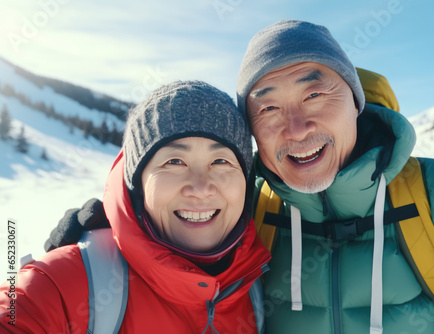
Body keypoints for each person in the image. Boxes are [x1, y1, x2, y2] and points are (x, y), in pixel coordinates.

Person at [30, 20, 434, 333]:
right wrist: (116, 229)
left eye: (316, 95)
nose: (296, 129)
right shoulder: (248, 210)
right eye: (269, 107)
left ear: (356, 101)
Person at [0, 80, 271, 333]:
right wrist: (60, 278)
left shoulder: (256, 285)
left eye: (221, 162)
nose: (201, 188)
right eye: (174, 162)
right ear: (137, 185)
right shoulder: (65, 285)